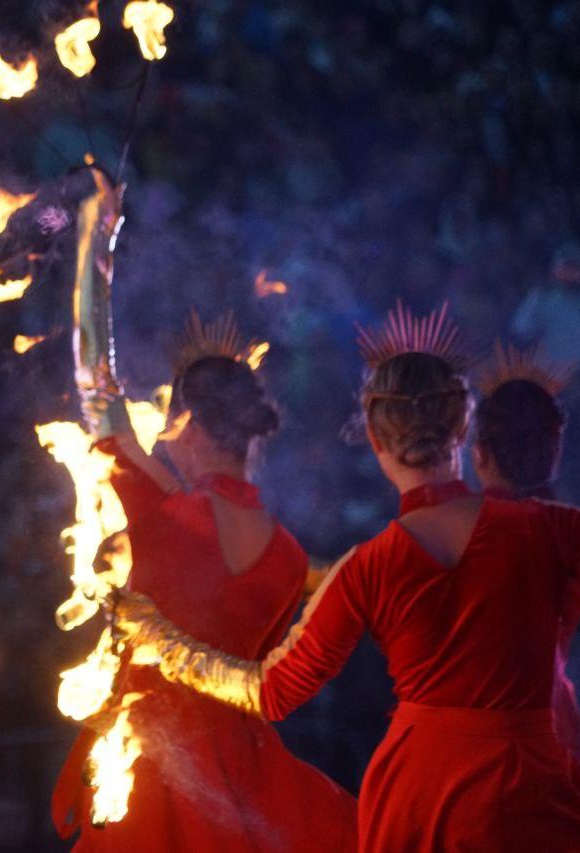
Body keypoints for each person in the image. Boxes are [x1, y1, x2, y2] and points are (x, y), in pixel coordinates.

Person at [116, 304, 580, 851]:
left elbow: (269, 692)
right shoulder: (553, 530)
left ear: (372, 433)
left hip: (423, 794)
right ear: (462, 425)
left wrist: (160, 640)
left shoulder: (368, 567)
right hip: (535, 785)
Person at [52, 301, 357, 848]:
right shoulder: (288, 555)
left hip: (149, 762)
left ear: (187, 424)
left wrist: (91, 248)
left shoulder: (166, 515)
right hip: (243, 772)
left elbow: (96, 387)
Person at [473, 343, 580, 769]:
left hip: (466, 739)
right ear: (554, 454)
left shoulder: (447, 531)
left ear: (479, 454)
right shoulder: (575, 533)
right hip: (554, 727)